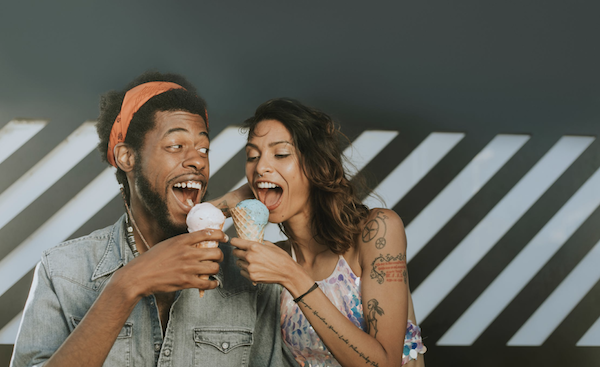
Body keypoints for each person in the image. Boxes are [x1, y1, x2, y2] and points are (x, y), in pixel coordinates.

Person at [10, 72, 296, 367]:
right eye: (175, 145)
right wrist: (126, 285)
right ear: (126, 157)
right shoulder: (61, 273)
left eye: (204, 149)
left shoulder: (250, 276)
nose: (198, 160)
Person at [229, 98, 427, 366]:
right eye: (252, 156)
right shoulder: (273, 260)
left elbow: (384, 363)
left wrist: (293, 276)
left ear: (316, 165)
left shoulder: (376, 232)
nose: (260, 166)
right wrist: (233, 199)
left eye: (281, 154)